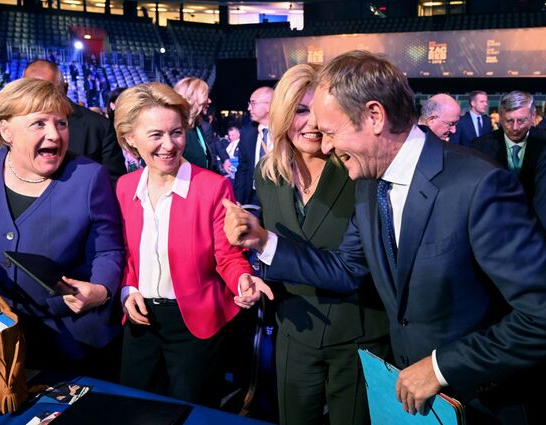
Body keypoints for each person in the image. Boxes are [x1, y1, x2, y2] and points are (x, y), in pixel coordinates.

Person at [224, 51, 546, 424]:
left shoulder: (479, 184)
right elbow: (347, 268)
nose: (325, 147)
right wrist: (264, 242)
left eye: (330, 132)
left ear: (374, 116)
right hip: (411, 404)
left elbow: (539, 317)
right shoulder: (369, 185)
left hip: (485, 404)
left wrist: (441, 368)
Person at [0, 78, 124, 376]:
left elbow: (109, 249)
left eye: (61, 123)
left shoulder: (90, 177)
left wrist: (101, 290)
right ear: (6, 130)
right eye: (39, 123)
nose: (54, 134)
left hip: (69, 339)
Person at [113, 82, 273, 406]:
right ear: (130, 138)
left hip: (195, 325)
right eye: (156, 135)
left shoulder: (213, 187)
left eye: (176, 133)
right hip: (140, 322)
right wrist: (128, 290)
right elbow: (129, 254)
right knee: (134, 410)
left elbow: (228, 255)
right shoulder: (124, 186)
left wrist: (242, 279)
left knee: (191, 413)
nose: (169, 145)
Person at [255, 63, 390, 425]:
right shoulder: (268, 175)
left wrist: (265, 245)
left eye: (319, 113)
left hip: (358, 335)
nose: (312, 124)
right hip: (294, 329)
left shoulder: (361, 170)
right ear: (282, 114)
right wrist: (251, 275)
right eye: (301, 111)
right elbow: (268, 251)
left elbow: (354, 267)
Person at [23, 60, 126, 184]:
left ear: (65, 89)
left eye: (49, 90)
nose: (42, 97)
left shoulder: (98, 127)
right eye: (32, 90)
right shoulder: (13, 124)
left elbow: (113, 184)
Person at [471, 91, 546, 209]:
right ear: (500, 117)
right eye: (509, 121)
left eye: (521, 121)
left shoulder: (543, 143)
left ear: (532, 116)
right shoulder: (480, 146)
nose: (515, 127)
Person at [234, 86, 274, 206]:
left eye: (253, 103)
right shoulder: (247, 133)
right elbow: (242, 169)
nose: (248, 108)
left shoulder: (287, 133)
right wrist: (238, 200)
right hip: (253, 197)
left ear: (269, 105)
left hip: (280, 198)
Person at [173, 77, 217, 172]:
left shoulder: (197, 127)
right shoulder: (175, 131)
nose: (209, 101)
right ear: (192, 99)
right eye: (206, 97)